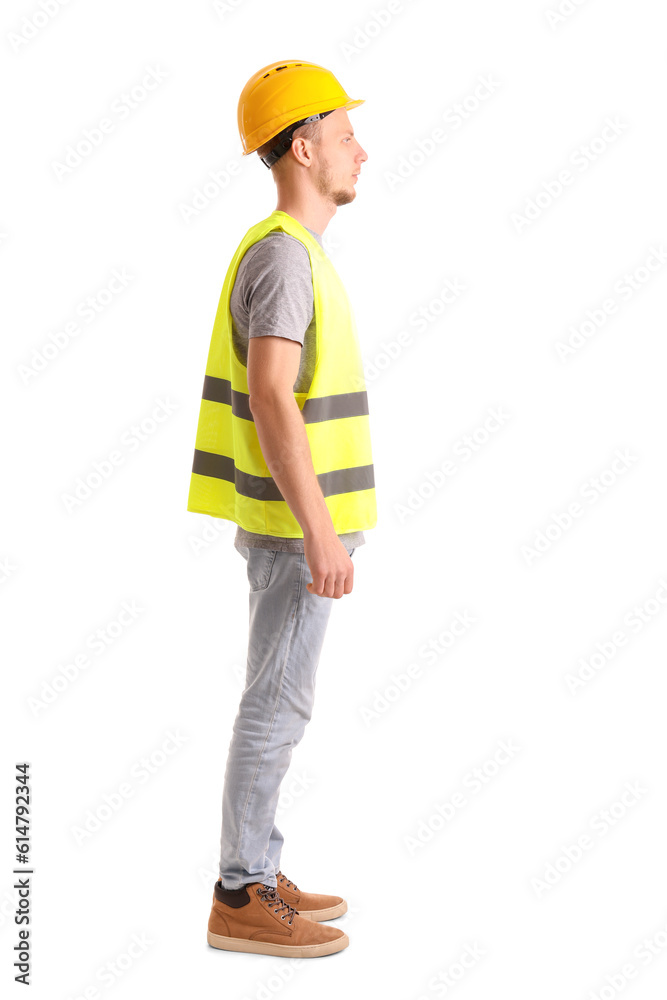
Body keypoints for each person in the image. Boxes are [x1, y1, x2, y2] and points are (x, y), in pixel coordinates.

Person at [187, 59, 377, 958]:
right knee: (276, 704)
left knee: (278, 698)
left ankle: (259, 865)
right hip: (294, 533)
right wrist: (320, 532)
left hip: (294, 528)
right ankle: (239, 894)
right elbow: (271, 395)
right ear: (302, 147)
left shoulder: (292, 252)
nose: (360, 153)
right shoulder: (282, 256)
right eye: (344, 137)